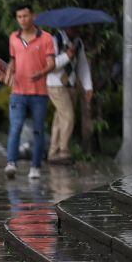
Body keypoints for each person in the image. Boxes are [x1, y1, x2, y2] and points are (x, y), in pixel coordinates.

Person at [2, 4, 55, 180]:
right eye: (19, 17)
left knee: (38, 130)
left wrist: (40, 73)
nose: (22, 20)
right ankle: (11, 163)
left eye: (25, 16)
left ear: (33, 16)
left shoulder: (46, 38)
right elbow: (13, 60)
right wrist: (9, 71)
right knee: (15, 127)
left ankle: (35, 166)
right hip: (18, 92)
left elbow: (52, 63)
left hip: (39, 93)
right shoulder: (14, 38)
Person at [46, 27, 93, 164]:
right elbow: (51, 65)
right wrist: (67, 56)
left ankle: (53, 152)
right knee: (68, 116)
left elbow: (82, 65)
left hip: (70, 85)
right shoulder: (55, 40)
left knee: (60, 119)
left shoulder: (78, 43)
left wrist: (88, 86)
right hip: (55, 84)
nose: (76, 29)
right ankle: (63, 150)